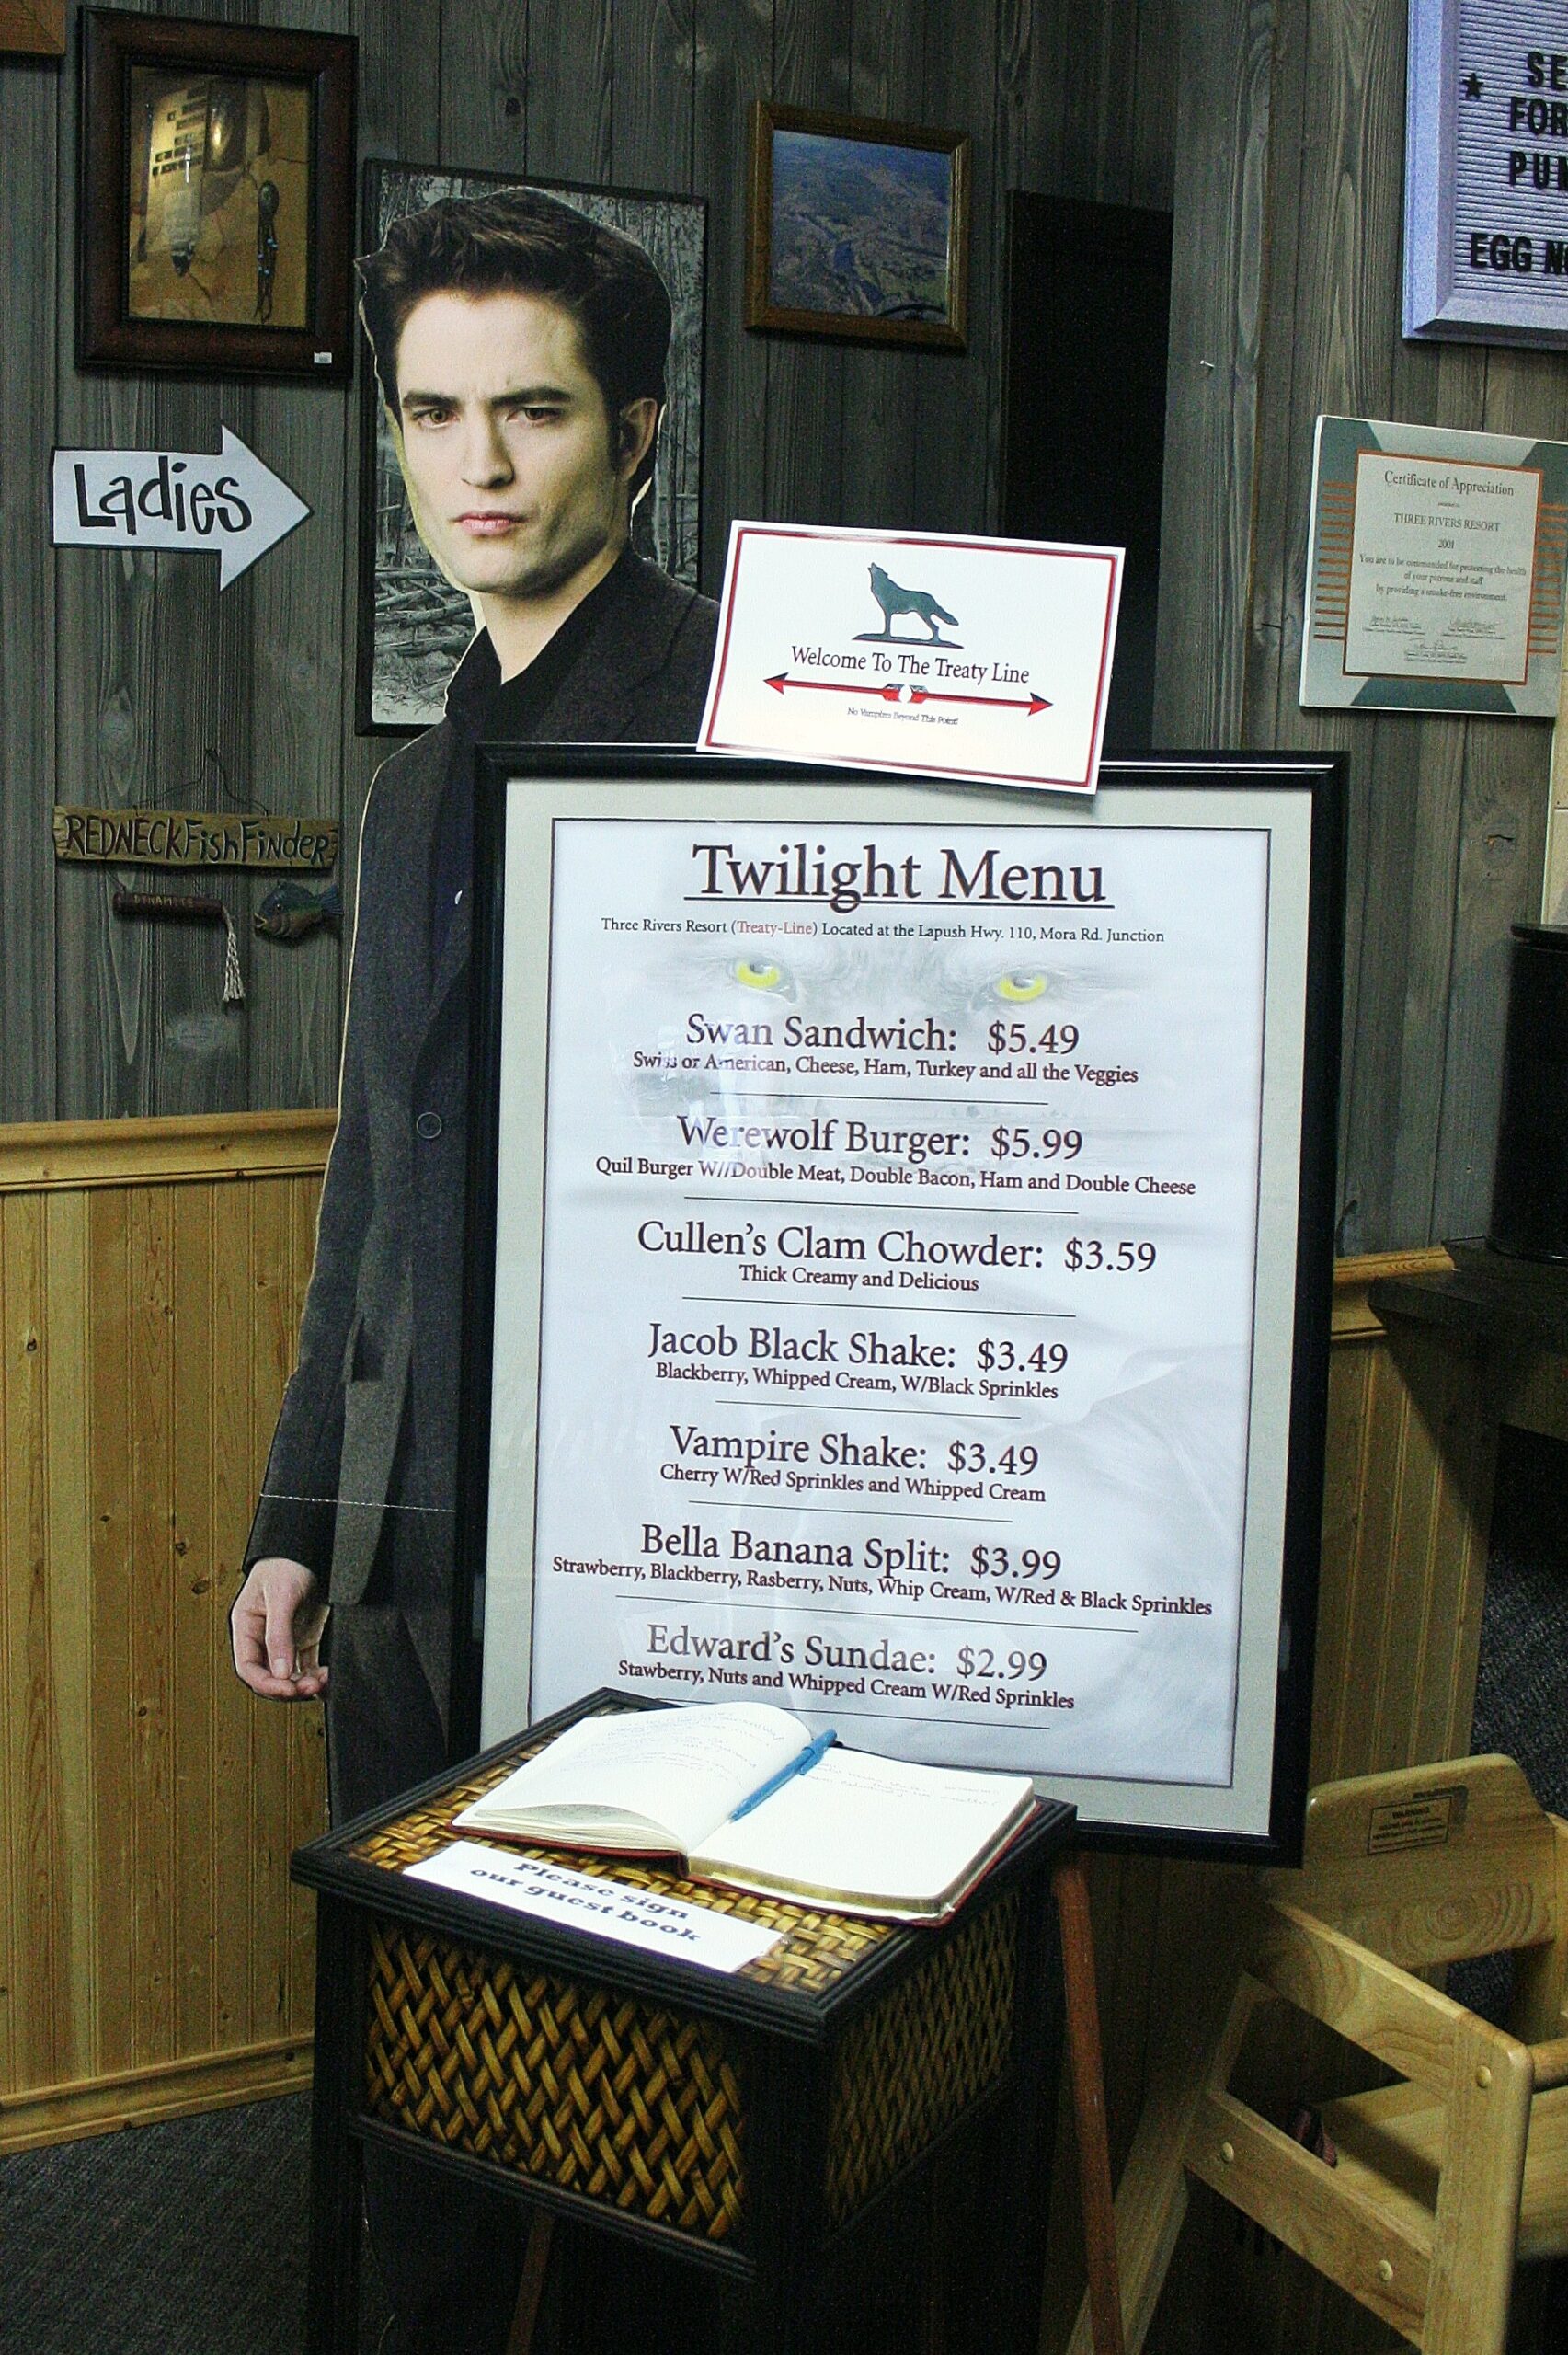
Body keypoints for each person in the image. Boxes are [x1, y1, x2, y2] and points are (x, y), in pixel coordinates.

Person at [228, 185, 718, 2355]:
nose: (480, 465)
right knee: (425, 2067)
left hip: (656, 1534)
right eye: (434, 414)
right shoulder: (424, 784)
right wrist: (295, 1518)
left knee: (645, 2103)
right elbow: (373, 1180)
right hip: (422, 1536)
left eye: (532, 409)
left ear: (638, 429)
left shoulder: (735, 716)